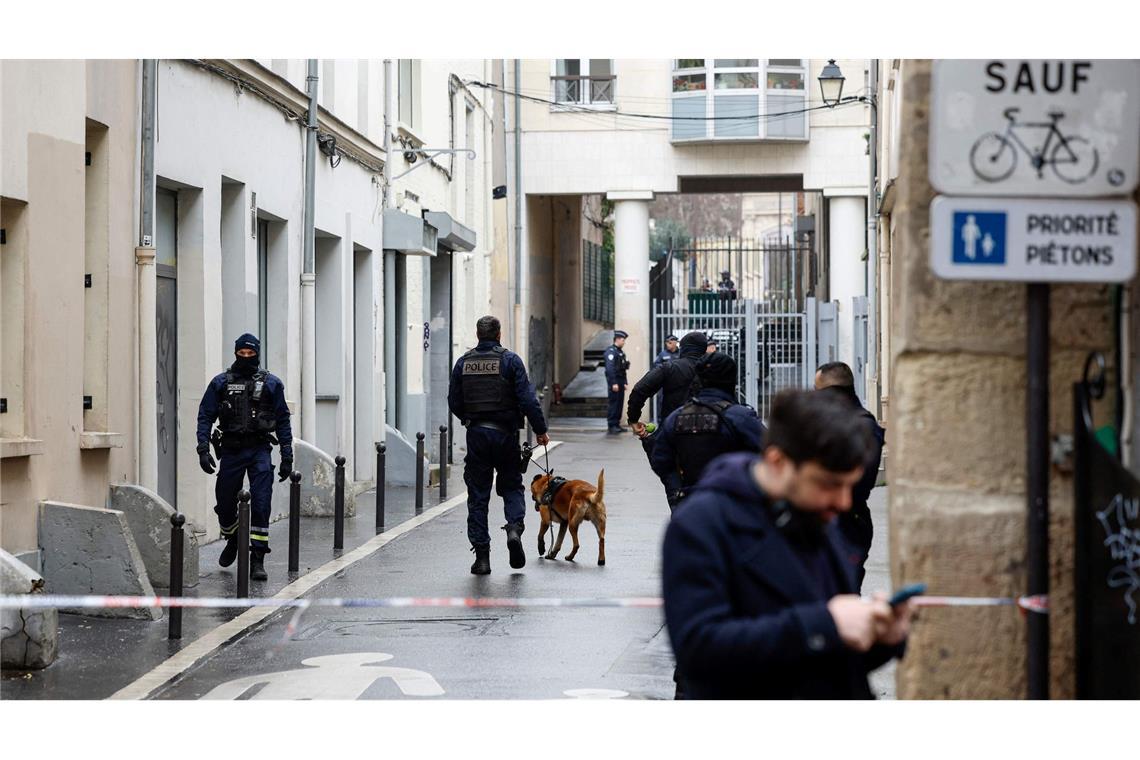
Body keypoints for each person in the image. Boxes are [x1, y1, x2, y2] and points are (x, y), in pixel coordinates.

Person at [662, 389, 912, 699]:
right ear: (778, 462)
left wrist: (879, 637)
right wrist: (826, 623)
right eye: (829, 484)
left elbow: (830, 659)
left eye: (849, 485)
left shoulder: (815, 514)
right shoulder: (701, 524)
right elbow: (699, 652)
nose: (844, 502)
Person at [448, 315, 549, 575]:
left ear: (477, 334)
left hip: (477, 436)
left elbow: (454, 402)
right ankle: (514, 528)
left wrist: (470, 419)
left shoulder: (463, 363)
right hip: (505, 436)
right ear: (499, 334)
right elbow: (527, 400)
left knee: (478, 496)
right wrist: (540, 430)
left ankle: (482, 558)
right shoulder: (510, 360)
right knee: (512, 486)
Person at [196, 333, 293, 582]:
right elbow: (205, 415)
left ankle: (257, 559)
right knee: (225, 502)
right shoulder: (221, 383)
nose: (246, 357)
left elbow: (282, 420)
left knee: (261, 504)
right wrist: (203, 449)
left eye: (251, 354)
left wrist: (286, 456)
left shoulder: (272, 383)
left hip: (260, 450)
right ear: (236, 353)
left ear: (258, 354)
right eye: (242, 353)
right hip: (231, 451)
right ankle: (233, 537)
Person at [650, 352, 765, 510]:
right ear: (731, 380)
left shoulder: (676, 418)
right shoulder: (742, 418)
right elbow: (771, 455)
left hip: (690, 507)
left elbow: (660, 460)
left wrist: (678, 491)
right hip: (735, 507)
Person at [814, 361, 885, 591]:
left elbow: (859, 483)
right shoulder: (830, 422)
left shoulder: (861, 425)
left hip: (847, 523)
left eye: (819, 393)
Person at [603, 329, 630, 435]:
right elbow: (610, 369)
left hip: (620, 381)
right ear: (617, 339)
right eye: (623, 340)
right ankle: (612, 425)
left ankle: (617, 424)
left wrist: (624, 382)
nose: (624, 342)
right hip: (614, 381)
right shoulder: (611, 352)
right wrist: (613, 383)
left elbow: (623, 369)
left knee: (619, 403)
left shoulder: (620, 352)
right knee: (614, 403)